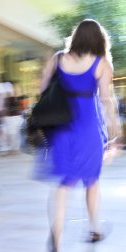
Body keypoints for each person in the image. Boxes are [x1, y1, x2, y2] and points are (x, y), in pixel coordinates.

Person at [37, 19, 121, 251]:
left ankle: (56, 235)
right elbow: (106, 100)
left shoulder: (58, 59)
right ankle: (95, 229)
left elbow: (42, 90)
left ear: (75, 37)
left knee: (64, 184)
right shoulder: (101, 64)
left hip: (61, 128)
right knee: (91, 182)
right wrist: (115, 132)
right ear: (99, 39)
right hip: (88, 130)